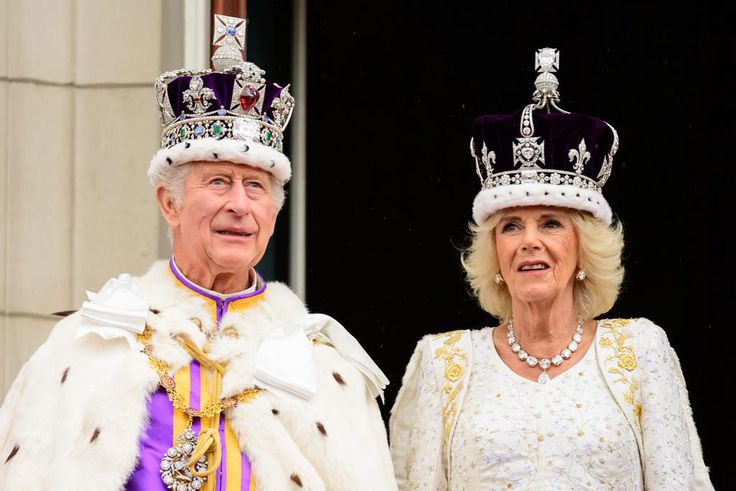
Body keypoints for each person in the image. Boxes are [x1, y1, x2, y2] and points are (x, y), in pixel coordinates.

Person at [0, 14, 397, 491]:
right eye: (218, 182)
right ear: (170, 203)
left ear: (274, 213)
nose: (239, 204)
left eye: (256, 186)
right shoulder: (88, 344)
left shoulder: (325, 365)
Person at [389, 48, 714, 490]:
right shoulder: (443, 363)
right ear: (495, 253)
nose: (529, 241)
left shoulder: (640, 353)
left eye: (551, 223)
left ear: (583, 249)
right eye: (511, 226)